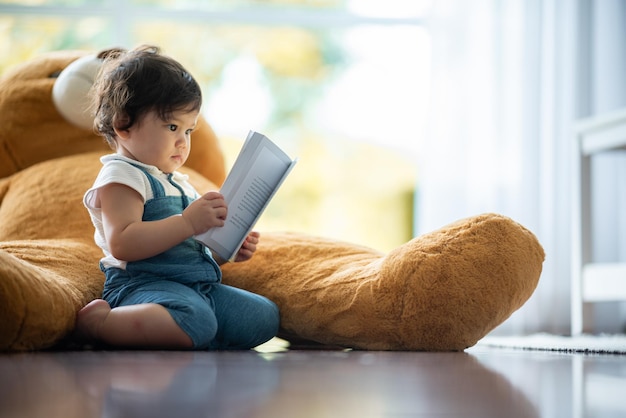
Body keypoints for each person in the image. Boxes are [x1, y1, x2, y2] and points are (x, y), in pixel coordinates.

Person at [75, 45, 280, 350]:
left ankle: (189, 334)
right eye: (172, 126)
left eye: (188, 131)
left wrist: (228, 247)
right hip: (143, 287)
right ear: (123, 124)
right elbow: (124, 242)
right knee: (194, 317)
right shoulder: (122, 176)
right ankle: (101, 324)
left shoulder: (180, 184)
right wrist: (187, 222)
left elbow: (192, 250)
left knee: (264, 316)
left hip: (195, 287)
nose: (182, 142)